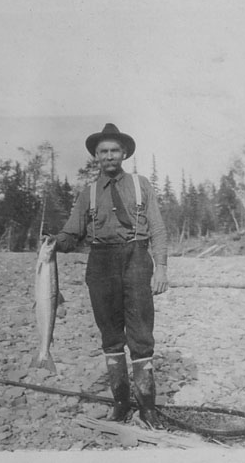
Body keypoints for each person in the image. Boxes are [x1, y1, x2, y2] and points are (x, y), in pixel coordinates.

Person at [52, 123, 168, 429]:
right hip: (100, 261)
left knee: (141, 331)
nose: (109, 156)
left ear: (124, 153)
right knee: (110, 333)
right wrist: (53, 243)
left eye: (114, 150)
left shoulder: (141, 184)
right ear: (96, 156)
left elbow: (157, 228)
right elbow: (71, 232)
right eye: (103, 151)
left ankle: (147, 408)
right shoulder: (88, 192)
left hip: (136, 257)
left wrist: (162, 268)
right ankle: (120, 405)